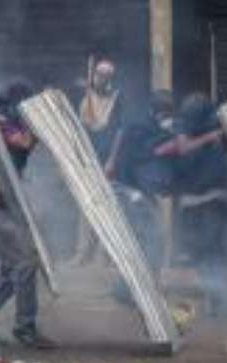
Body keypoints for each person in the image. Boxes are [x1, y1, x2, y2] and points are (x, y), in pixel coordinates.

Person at [0, 83, 57, 349]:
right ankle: (25, 328)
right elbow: (23, 141)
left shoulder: (3, 121)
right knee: (25, 262)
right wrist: (41, 123)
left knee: (12, 268)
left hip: (1, 206)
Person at [156, 92, 227, 318]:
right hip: (194, 202)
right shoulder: (185, 128)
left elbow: (181, 148)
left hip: (212, 199)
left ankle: (221, 299)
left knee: (212, 252)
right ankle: (220, 297)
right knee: (203, 253)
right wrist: (210, 137)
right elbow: (178, 148)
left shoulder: (217, 127)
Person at [109, 90, 177, 303]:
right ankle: (139, 289)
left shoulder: (147, 127)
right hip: (129, 190)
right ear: (158, 111)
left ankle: (130, 288)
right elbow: (141, 156)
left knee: (145, 239)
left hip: (137, 190)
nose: (167, 117)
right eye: (165, 112)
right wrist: (165, 143)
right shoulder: (143, 128)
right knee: (151, 238)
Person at [71, 58, 126, 266]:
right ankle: (82, 252)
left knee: (108, 204)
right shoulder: (84, 94)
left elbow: (120, 131)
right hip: (87, 157)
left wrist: (112, 159)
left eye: (106, 75)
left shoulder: (117, 98)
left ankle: (105, 254)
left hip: (106, 159)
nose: (101, 78)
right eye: (99, 74)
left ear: (111, 78)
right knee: (85, 204)